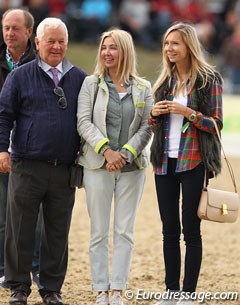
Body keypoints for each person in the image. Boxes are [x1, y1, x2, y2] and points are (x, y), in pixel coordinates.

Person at [0, 17, 87, 305]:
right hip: (26, 165)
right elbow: (4, 116)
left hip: (63, 169)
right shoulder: (20, 76)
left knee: (57, 232)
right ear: (37, 43)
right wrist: (2, 150)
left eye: (61, 41)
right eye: (50, 40)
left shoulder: (80, 79)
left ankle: (51, 288)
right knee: (20, 229)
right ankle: (18, 287)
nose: (57, 46)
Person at [77, 28, 153, 305]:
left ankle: (118, 289)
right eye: (104, 47)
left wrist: (127, 153)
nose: (107, 52)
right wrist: (107, 152)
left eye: (113, 47)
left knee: (124, 231)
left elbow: (147, 126)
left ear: (126, 51)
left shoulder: (144, 88)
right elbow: (83, 122)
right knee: (98, 231)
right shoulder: (91, 84)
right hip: (97, 165)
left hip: (132, 169)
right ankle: (100, 289)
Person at [149, 22, 223, 305]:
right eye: (166, 44)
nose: (169, 49)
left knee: (190, 229)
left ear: (188, 46)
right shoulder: (164, 82)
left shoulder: (208, 79)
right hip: (163, 164)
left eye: (174, 44)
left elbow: (216, 123)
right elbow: (154, 124)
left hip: (193, 162)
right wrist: (155, 113)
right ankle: (171, 292)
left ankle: (188, 294)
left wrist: (188, 112)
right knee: (168, 229)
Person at [0, 8, 43, 290]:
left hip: (33, 150)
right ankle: (4, 269)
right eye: (5, 28)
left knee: (35, 215)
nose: (9, 33)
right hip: (3, 147)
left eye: (15, 28)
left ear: (29, 32)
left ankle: (37, 268)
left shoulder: (43, 63)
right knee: (3, 214)